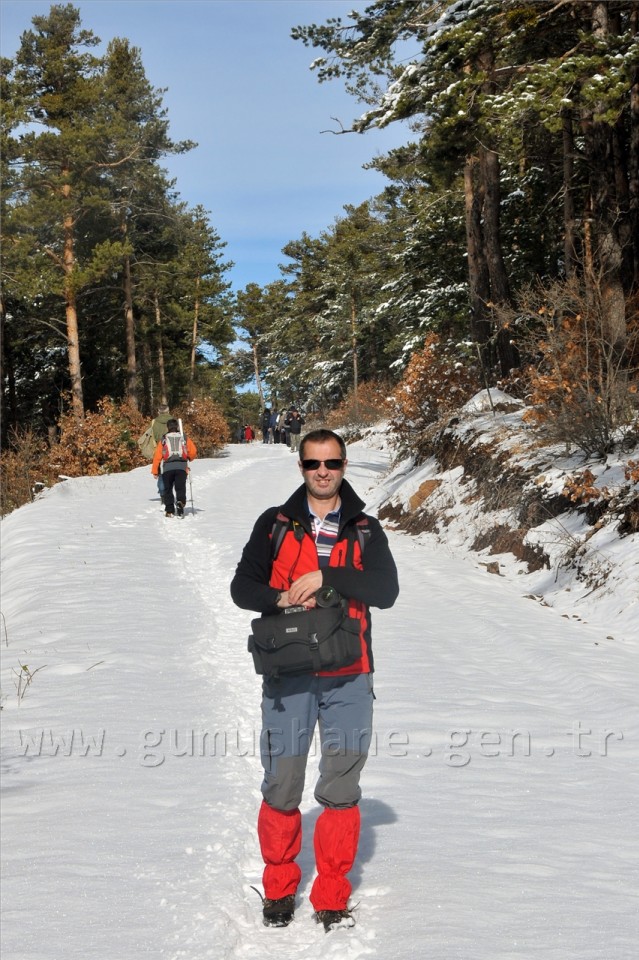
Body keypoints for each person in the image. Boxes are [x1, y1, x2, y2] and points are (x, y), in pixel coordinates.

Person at [230, 428, 399, 931]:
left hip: (349, 676)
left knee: (341, 786)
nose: (322, 472)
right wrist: (279, 598)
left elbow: (386, 590)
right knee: (282, 784)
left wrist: (330, 578)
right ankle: (279, 890)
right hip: (289, 675)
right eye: (312, 464)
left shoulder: (365, 529)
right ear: (300, 467)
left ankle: (331, 896)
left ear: (344, 466)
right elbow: (242, 587)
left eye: (332, 463)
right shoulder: (275, 524)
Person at [151, 419, 197, 517]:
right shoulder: (183, 437)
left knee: (168, 489)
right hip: (182, 468)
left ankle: (169, 511)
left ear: (167, 427)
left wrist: (155, 471)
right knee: (180, 487)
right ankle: (180, 502)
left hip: (167, 468)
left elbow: (157, 456)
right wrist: (188, 458)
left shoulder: (163, 439)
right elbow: (193, 451)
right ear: (177, 427)